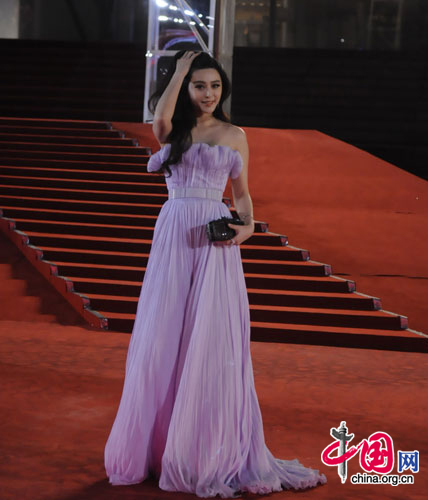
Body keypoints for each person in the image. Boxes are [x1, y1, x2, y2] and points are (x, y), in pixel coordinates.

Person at [104, 50, 326, 498]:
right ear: (186, 88)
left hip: (214, 242)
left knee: (208, 340)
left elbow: (243, 198)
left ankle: (203, 450)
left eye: (215, 86)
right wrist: (180, 68)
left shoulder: (235, 135)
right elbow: (158, 117)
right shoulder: (175, 130)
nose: (208, 94)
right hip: (173, 237)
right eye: (199, 85)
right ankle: (158, 446)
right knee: (163, 337)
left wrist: (243, 231)